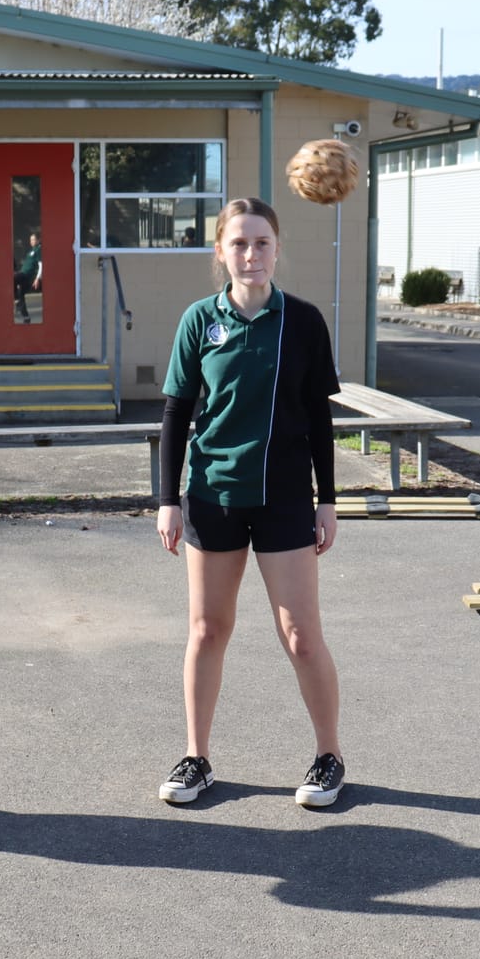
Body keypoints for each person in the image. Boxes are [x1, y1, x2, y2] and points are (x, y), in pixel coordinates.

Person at [155, 197, 346, 810]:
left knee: (301, 636)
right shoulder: (198, 321)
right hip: (213, 496)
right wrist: (168, 500)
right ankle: (196, 757)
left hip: (286, 499)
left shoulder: (304, 322)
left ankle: (328, 754)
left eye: (262, 242)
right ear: (220, 251)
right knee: (207, 629)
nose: (251, 254)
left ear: (277, 248)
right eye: (238, 243)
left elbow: (319, 418)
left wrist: (327, 501)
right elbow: (176, 414)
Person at [14, 231, 43, 322]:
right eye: (31, 240)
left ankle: (17, 301)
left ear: (38, 240)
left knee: (12, 279)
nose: (32, 241)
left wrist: (37, 278)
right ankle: (26, 317)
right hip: (22, 274)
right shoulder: (31, 251)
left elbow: (41, 265)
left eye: (34, 239)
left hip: (27, 276)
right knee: (20, 294)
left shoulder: (39, 250)